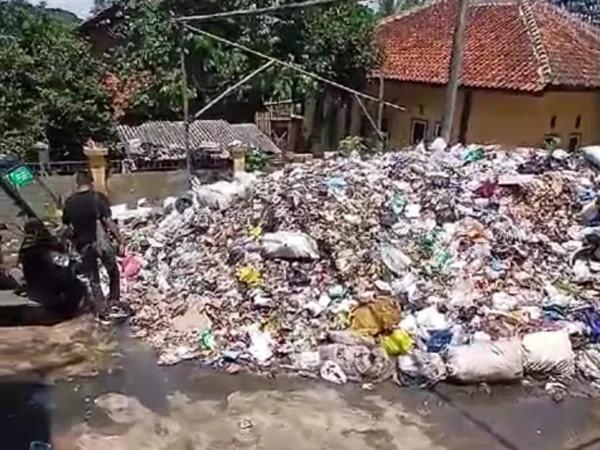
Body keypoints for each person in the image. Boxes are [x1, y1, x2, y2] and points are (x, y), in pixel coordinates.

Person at [62, 170, 124, 319]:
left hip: (83, 245)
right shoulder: (98, 198)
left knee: (94, 278)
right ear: (91, 181)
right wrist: (121, 240)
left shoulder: (69, 202)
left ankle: (101, 309)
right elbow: (108, 222)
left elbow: (66, 226)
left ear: (77, 184)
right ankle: (114, 302)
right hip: (100, 243)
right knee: (113, 272)